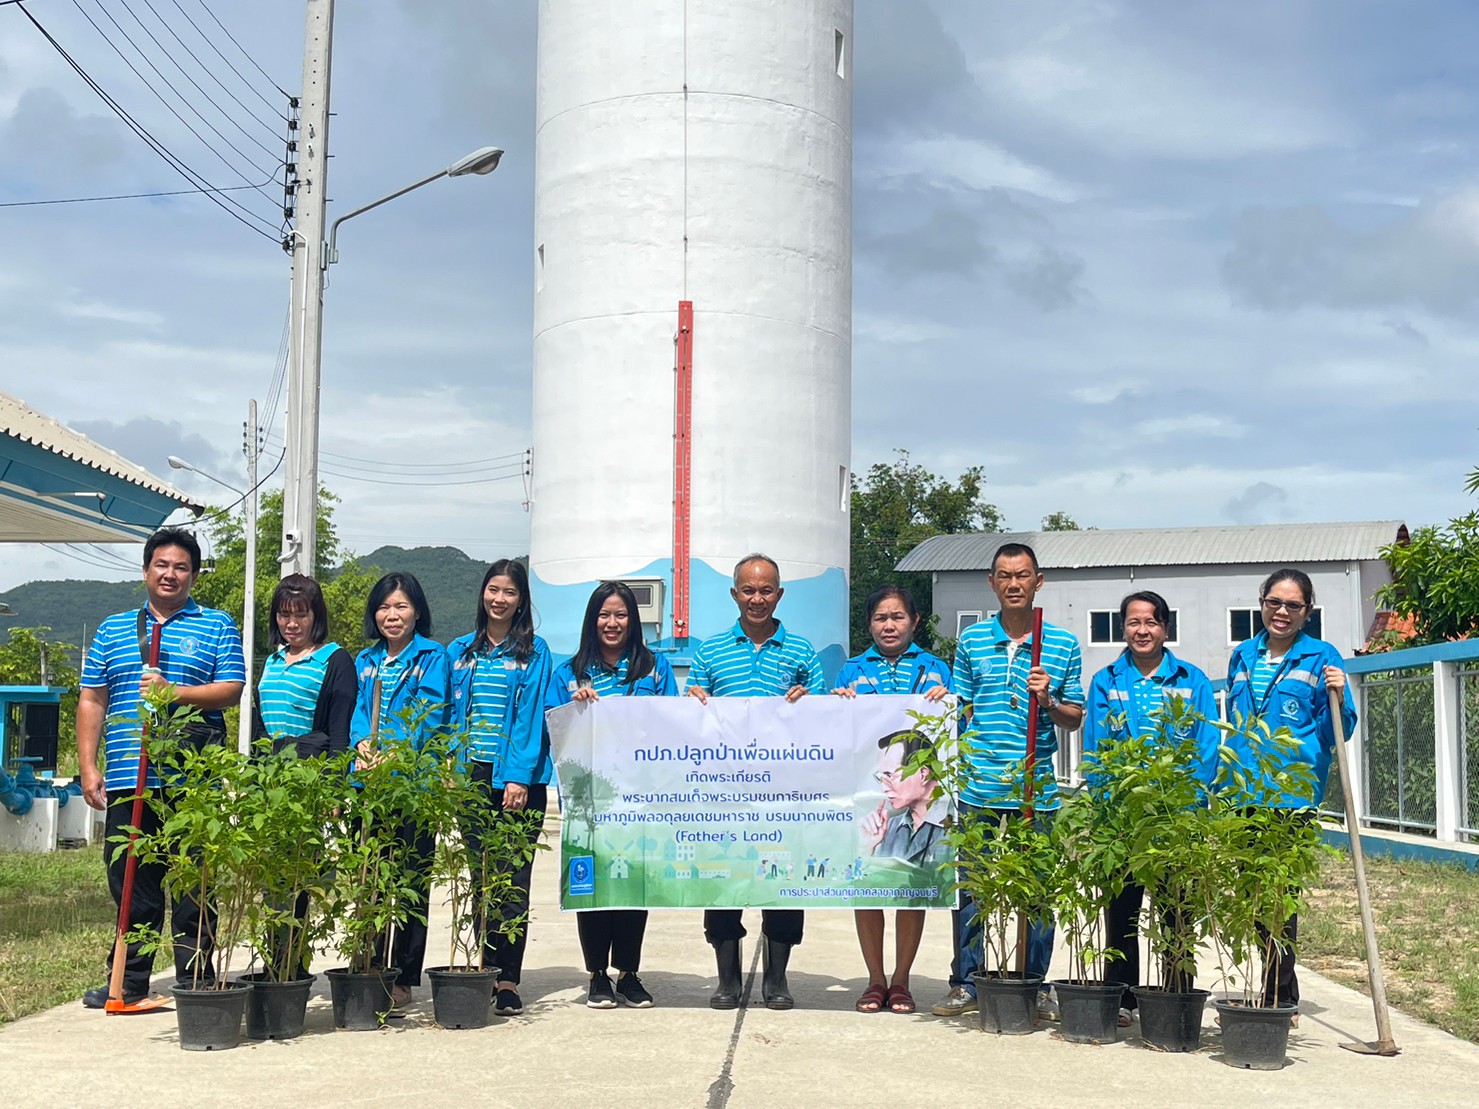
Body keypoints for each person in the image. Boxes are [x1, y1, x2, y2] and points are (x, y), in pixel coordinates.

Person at [76, 527, 246, 1007]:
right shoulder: (112, 629)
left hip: (192, 780)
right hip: (131, 777)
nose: (171, 574)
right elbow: (92, 699)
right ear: (147, 569)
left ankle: (195, 978)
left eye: (182, 567)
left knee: (194, 882)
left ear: (193, 574)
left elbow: (231, 688)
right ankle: (127, 983)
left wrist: (175, 693)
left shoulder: (216, 625)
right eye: (162, 565)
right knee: (131, 883)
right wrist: (89, 767)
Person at [933, 542, 1084, 1020]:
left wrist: (1050, 699)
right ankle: (966, 982)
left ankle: (1037, 984)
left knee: (1037, 890)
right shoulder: (974, 641)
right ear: (992, 583)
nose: (1014, 583)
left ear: (1039, 582)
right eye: (1004, 575)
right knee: (971, 889)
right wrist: (938, 702)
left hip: (1034, 788)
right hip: (978, 784)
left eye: (1023, 575)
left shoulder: (1061, 644)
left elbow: (1074, 718)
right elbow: (963, 706)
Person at [686, 553, 825, 1010]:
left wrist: (809, 701)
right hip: (723, 792)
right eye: (748, 590)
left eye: (766, 590)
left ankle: (777, 979)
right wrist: (694, 699)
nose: (757, 599)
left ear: (779, 594)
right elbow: (691, 718)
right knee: (721, 878)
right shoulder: (708, 651)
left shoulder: (803, 652)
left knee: (782, 880)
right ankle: (727, 979)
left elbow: (826, 719)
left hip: (783, 792)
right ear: (734, 594)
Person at [1226, 567, 1356, 1023]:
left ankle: (1279, 993)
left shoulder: (1322, 657)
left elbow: (1340, 730)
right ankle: (1279, 984)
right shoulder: (1242, 655)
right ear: (1261, 604)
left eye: (1293, 606)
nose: (1282, 612)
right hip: (1245, 791)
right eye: (1274, 603)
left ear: (1307, 612)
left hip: (1291, 793)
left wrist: (1339, 696)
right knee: (1251, 893)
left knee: (1280, 894)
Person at [1082, 590, 1218, 1025]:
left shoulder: (1190, 680)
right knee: (1121, 911)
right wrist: (1110, 804)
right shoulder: (1106, 680)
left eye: (1151, 622)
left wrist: (1185, 803)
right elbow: (1096, 750)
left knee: (1177, 911)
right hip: (1122, 819)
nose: (1142, 630)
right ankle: (1122, 997)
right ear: (1123, 628)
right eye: (1133, 622)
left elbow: (1207, 746)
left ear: (1165, 628)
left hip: (1175, 817)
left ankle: (1175, 995)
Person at [547, 581, 677, 1010]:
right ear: (592, 620)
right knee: (592, 885)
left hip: (639, 801)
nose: (612, 623)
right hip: (588, 802)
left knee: (633, 885)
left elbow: (672, 725)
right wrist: (576, 707)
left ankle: (630, 973)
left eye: (621, 615)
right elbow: (554, 728)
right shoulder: (568, 674)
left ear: (633, 620)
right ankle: (597, 974)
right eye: (605, 614)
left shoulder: (653, 669)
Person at [832, 584, 951, 1015]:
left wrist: (949, 702)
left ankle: (901, 980)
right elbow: (838, 732)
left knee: (909, 890)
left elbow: (955, 725)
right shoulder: (851, 670)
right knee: (868, 883)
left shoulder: (937, 669)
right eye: (880, 618)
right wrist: (838, 703)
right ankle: (874, 979)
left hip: (914, 796)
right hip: (868, 790)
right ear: (869, 624)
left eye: (897, 617)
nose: (889, 625)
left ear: (915, 621)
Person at [447, 558, 552, 1018]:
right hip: (471, 776)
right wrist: (449, 769)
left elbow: (532, 718)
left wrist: (518, 776)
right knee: (479, 876)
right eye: (493, 589)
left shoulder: (534, 651)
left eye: (510, 592)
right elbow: (452, 717)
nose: (499, 599)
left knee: (513, 881)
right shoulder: (460, 650)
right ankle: (484, 969)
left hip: (515, 781)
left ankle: (508, 979)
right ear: (482, 594)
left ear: (521, 600)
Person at [348, 571, 451, 1010]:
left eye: (402, 606)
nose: (393, 615)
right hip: (369, 784)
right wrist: (362, 743)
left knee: (409, 881)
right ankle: (370, 962)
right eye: (385, 607)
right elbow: (356, 710)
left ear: (417, 612)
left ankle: (405, 973)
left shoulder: (433, 656)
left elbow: (429, 714)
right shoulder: (365, 660)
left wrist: (395, 752)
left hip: (414, 785)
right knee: (369, 878)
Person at [254, 573, 356, 760]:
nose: (292, 624)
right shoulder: (272, 662)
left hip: (311, 772)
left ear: (316, 617)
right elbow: (259, 727)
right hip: (269, 772)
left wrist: (334, 782)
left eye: (301, 615)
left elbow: (340, 733)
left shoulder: (335, 660)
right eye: (284, 615)